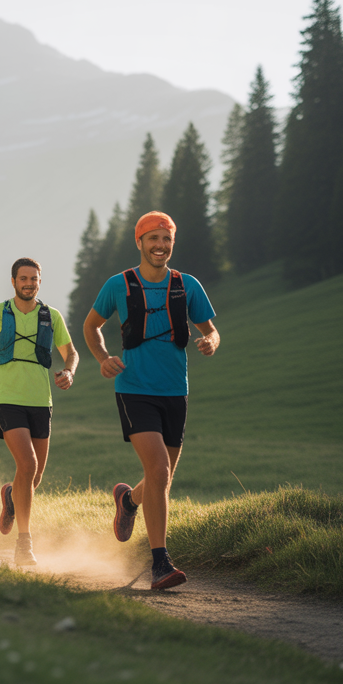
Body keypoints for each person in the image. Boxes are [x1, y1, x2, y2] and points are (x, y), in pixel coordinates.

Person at [83, 211, 219, 590]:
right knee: (158, 468)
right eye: (153, 238)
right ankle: (161, 563)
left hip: (175, 391)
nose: (160, 245)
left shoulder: (187, 285)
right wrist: (103, 357)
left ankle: (128, 501)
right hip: (134, 388)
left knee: (161, 477)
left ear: (172, 243)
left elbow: (212, 329)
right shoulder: (119, 284)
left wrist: (211, 341)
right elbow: (91, 325)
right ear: (139, 242)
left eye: (167, 239)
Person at [0, 258, 78, 566]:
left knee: (34, 475)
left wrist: (69, 371)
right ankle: (24, 544)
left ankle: (12, 496)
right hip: (7, 398)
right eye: (23, 278)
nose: (29, 283)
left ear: (40, 282)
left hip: (41, 401)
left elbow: (70, 352)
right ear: (13, 281)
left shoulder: (51, 316)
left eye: (34, 279)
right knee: (26, 464)